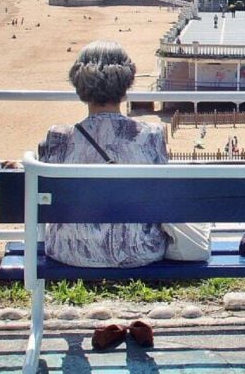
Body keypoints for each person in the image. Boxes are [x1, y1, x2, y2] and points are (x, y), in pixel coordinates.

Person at [36, 40, 169, 268]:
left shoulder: (59, 138)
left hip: (70, 250)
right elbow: (162, 193)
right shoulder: (151, 135)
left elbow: (38, 186)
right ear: (126, 84)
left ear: (79, 85)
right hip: (138, 249)